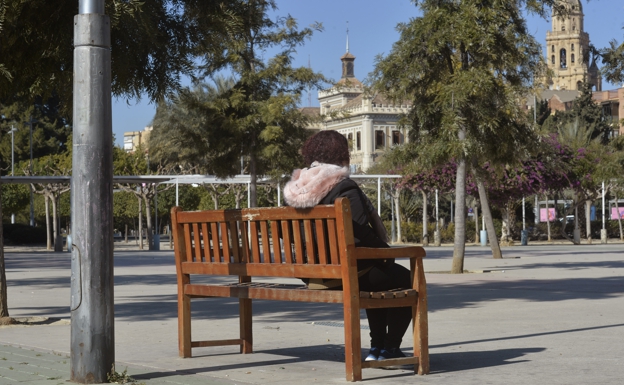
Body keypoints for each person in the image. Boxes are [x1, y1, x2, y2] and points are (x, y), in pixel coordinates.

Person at [283, 130, 412, 363]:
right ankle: (388, 348)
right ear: (341, 155)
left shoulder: (296, 189)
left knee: (379, 275)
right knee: (405, 279)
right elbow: (360, 233)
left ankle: (377, 348)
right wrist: (386, 252)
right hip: (345, 272)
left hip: (312, 275)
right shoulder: (344, 188)